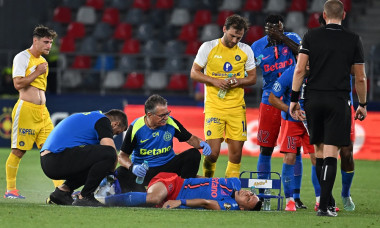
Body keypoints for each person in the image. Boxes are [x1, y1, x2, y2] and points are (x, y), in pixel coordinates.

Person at [289, 0, 367, 217]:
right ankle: (324, 206)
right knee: (332, 151)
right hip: (338, 99)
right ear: (343, 15)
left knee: (319, 151)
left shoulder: (311, 36)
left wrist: (294, 99)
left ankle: (327, 201)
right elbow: (360, 77)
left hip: (313, 99)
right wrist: (362, 104)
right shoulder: (353, 39)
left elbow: (299, 70)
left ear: (323, 15)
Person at [190, 14, 257, 178]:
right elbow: (194, 73)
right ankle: (207, 181)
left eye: (239, 37)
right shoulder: (208, 47)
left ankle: (230, 189)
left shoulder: (245, 50)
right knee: (212, 153)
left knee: (236, 154)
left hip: (236, 108)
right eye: (232, 35)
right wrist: (215, 81)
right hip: (214, 107)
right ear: (224, 29)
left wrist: (238, 81)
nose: (235, 40)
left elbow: (253, 78)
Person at [4, 25, 64, 199]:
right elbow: (18, 84)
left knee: (53, 150)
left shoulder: (43, 62)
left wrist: (39, 71)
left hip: (42, 112)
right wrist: (37, 72)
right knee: (18, 151)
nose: (49, 46)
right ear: (35, 40)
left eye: (51, 42)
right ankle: (10, 190)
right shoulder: (22, 57)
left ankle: (61, 189)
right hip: (26, 110)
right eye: (45, 42)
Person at [250, 14, 302, 206]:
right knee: (266, 149)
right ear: (265, 29)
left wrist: (283, 39)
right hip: (269, 100)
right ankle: (263, 196)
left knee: (294, 149)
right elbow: (249, 70)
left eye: (279, 28)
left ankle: (295, 197)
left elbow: (304, 55)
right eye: (272, 29)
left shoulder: (293, 39)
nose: (275, 31)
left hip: (293, 100)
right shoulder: (256, 47)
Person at [116, 94, 211, 193]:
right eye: (162, 115)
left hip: (168, 167)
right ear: (149, 115)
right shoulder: (136, 128)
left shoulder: (171, 122)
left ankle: (183, 190)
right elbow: (122, 156)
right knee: (121, 172)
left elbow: (191, 139)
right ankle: (147, 196)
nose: (166, 118)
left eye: (167, 113)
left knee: (193, 154)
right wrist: (133, 167)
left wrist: (202, 144)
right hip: (145, 171)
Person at [40, 109, 128, 206]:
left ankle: (62, 192)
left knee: (97, 161)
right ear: (115, 124)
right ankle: (85, 196)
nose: (114, 135)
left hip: (50, 161)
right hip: (55, 158)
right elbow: (111, 152)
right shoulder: (103, 120)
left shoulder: (92, 119)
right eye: (117, 132)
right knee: (109, 153)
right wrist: (111, 176)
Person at [269, 65, 321, 211]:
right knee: (290, 157)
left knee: (317, 158)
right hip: (292, 123)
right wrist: (290, 110)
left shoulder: (321, 71)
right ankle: (289, 200)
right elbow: (272, 98)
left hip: (312, 122)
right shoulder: (290, 73)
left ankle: (320, 200)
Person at [318, 13, 356, 212]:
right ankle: (326, 199)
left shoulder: (349, 43)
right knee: (321, 153)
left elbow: (357, 72)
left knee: (347, 152)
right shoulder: (315, 43)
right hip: (322, 102)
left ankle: (345, 193)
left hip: (343, 103)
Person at [103, 172, 262, 211]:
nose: (248, 194)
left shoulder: (230, 205)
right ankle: (104, 201)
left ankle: (114, 184)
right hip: (175, 183)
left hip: (176, 197)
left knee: (150, 199)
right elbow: (207, 179)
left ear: (241, 208)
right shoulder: (234, 181)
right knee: (154, 198)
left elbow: (206, 202)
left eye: (248, 200)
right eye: (252, 194)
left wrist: (180, 201)